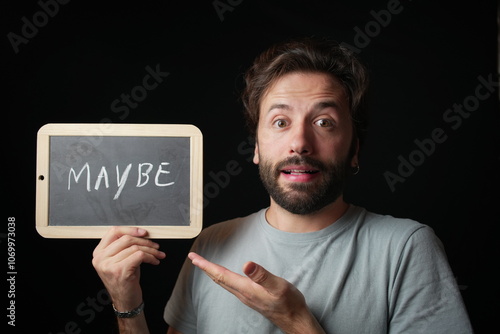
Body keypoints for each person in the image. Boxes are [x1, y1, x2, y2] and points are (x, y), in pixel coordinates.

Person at [92, 37, 473, 334]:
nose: (300, 142)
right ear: (256, 148)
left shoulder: (406, 248)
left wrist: (299, 322)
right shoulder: (210, 244)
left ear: (354, 149)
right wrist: (127, 303)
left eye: (324, 122)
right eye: (279, 122)